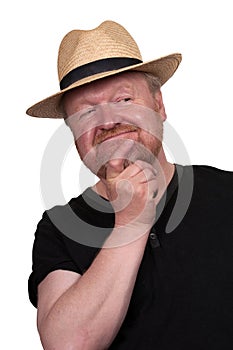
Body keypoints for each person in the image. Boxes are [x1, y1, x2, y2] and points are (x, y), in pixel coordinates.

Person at [27, 20, 233, 350]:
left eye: (124, 100)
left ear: (159, 106)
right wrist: (131, 221)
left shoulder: (227, 194)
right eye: (86, 111)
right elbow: (67, 345)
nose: (108, 121)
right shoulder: (60, 227)